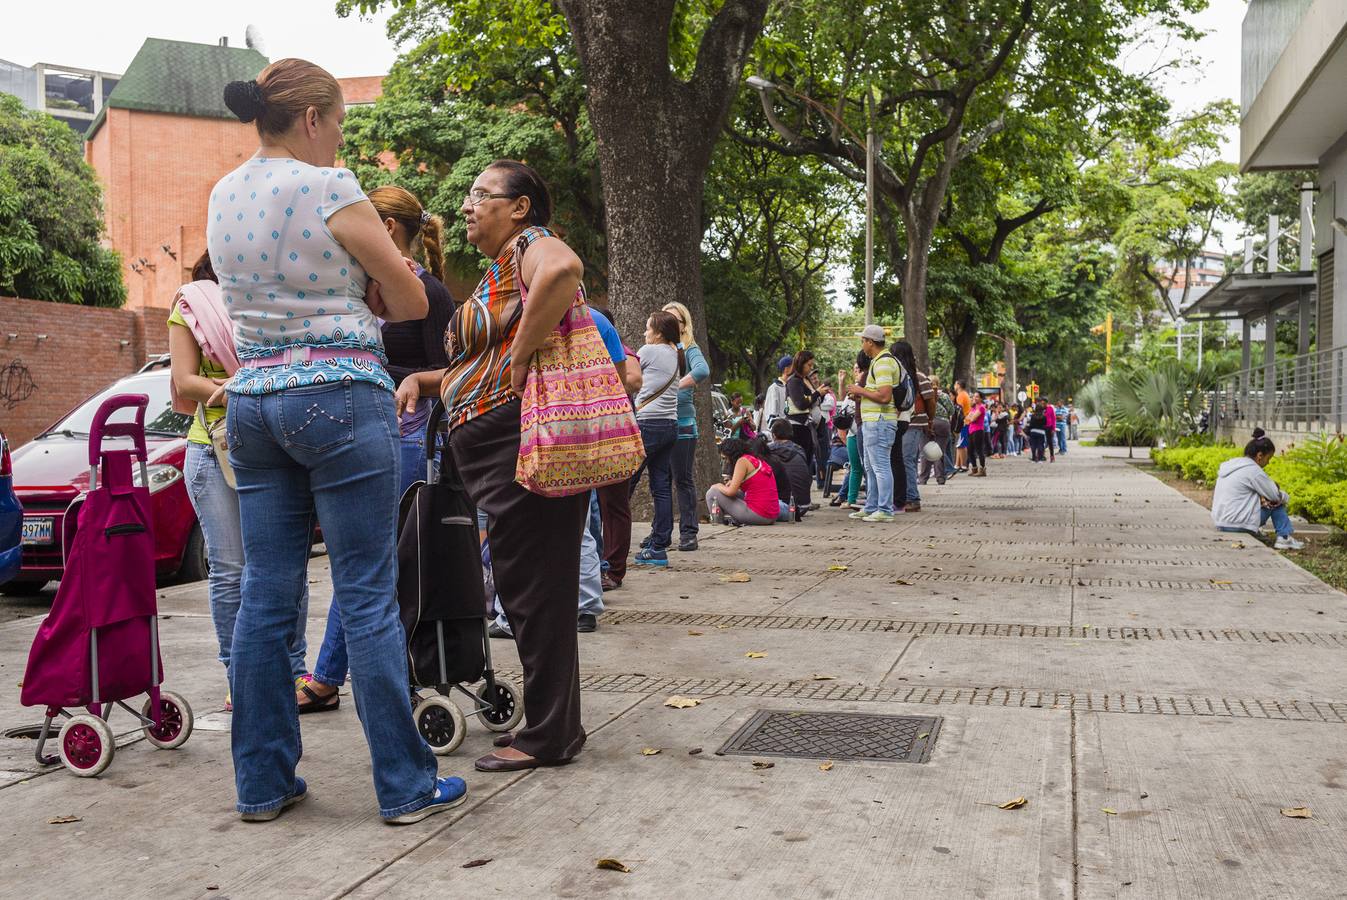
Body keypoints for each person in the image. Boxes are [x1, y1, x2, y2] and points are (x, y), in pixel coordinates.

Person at [214, 60, 462, 823]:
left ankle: (262, 784)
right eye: (340, 126)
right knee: (364, 591)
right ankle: (403, 784)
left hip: (252, 401)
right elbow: (412, 295)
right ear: (314, 119)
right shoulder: (329, 186)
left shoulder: (224, 192)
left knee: (265, 593)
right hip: (339, 395)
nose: (339, 141)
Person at [397, 158, 593, 773]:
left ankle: (548, 736)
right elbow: (480, 360)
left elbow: (564, 270)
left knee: (533, 588)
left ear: (520, 208)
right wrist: (431, 383)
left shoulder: (533, 246)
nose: (467, 205)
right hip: (499, 444)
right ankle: (557, 725)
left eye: (483, 195)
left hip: (517, 442)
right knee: (534, 586)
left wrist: (518, 362)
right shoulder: (498, 271)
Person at [300, 184, 454, 713]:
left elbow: (445, 372)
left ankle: (329, 678)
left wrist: (382, 376)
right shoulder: (362, 289)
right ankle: (332, 677)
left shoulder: (428, 292)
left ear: (385, 230)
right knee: (366, 558)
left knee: (372, 558)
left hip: (411, 430)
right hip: (369, 426)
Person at [168, 253, 310, 712]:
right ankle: (241, 676)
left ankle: (293, 671)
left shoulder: (268, 306)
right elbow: (184, 380)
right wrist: (243, 386)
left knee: (285, 566)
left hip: (271, 444)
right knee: (230, 569)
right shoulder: (192, 305)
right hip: (214, 447)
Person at [590, 306, 641, 592]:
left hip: (614, 432)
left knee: (613, 503)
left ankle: (613, 569)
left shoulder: (620, 346)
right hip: (591, 432)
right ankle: (599, 566)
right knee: (596, 507)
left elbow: (633, 379)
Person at [631, 310, 686, 566]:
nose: (645, 333)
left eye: (648, 329)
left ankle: (609, 546)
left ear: (659, 332)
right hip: (670, 425)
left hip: (648, 424)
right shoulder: (676, 355)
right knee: (661, 486)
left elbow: (627, 375)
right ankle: (659, 546)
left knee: (624, 484)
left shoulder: (649, 351)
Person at [663, 301, 710, 553]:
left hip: (682, 423)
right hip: (658, 421)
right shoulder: (655, 348)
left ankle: (689, 533)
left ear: (683, 325)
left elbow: (702, 370)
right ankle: (660, 534)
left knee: (683, 479)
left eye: (676, 320)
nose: (671, 324)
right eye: (666, 319)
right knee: (661, 480)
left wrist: (677, 385)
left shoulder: (689, 347)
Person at [1212, 430, 1304, 549]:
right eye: (1268, 458)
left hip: (1222, 523)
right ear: (1260, 456)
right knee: (1275, 502)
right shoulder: (1253, 470)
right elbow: (1275, 495)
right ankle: (1284, 537)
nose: (1268, 463)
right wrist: (1285, 497)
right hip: (1239, 524)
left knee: (1265, 500)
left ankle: (1257, 532)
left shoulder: (1232, 466)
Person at [846, 325, 898, 522]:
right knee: (870, 466)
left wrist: (860, 391)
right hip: (873, 422)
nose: (862, 345)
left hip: (880, 421)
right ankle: (872, 506)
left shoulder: (883, 363)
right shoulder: (878, 361)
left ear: (870, 342)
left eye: (863, 340)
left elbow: (884, 396)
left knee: (881, 466)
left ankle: (884, 509)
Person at [889, 340, 933, 512]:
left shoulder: (918, 378)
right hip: (902, 423)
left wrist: (929, 421)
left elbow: (930, 401)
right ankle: (902, 496)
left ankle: (912, 498)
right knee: (902, 460)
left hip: (914, 423)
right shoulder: (898, 376)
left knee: (907, 459)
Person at [706, 436, 784, 526]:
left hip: (759, 515)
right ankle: (726, 520)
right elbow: (753, 486)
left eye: (726, 458)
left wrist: (718, 485)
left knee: (712, 492)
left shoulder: (742, 461)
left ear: (732, 455)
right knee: (729, 492)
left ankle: (718, 524)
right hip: (772, 515)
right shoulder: (755, 459)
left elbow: (731, 491)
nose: (726, 462)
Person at [785, 350, 824, 482]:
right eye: (809, 365)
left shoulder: (805, 379)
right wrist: (818, 393)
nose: (810, 368)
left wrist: (819, 394)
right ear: (800, 364)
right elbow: (801, 403)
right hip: (798, 427)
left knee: (807, 461)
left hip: (808, 426)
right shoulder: (794, 381)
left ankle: (805, 499)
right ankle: (799, 499)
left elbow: (814, 400)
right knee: (800, 463)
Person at [767, 418, 812, 519]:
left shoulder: (768, 451)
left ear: (773, 435)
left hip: (787, 507)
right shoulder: (800, 450)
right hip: (803, 506)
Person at [841, 354, 868, 509]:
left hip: (863, 430)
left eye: (859, 368)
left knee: (868, 467)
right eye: (855, 369)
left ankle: (871, 498)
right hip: (852, 432)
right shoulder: (853, 388)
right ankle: (851, 500)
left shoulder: (866, 386)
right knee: (855, 467)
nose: (857, 371)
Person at [920, 377, 954, 486]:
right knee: (940, 452)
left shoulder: (924, 394)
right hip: (942, 424)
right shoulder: (944, 396)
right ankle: (940, 478)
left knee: (925, 451)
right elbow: (952, 410)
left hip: (927, 422)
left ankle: (923, 479)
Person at [759, 356, 791, 432]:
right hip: (782, 433)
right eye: (794, 367)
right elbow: (771, 414)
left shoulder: (792, 386)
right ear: (786, 369)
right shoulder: (774, 388)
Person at [966, 391, 990, 476]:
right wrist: (971, 416)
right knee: (970, 450)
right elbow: (967, 418)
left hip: (978, 431)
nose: (974, 398)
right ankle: (974, 468)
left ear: (980, 398)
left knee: (979, 450)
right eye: (974, 397)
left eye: (977, 397)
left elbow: (972, 419)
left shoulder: (981, 407)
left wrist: (971, 417)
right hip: (971, 430)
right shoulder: (974, 407)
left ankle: (982, 470)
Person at [953, 380, 972, 473]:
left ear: (958, 385)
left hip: (964, 422)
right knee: (959, 445)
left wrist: (956, 424)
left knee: (961, 444)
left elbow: (959, 411)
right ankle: (957, 464)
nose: (954, 386)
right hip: (966, 422)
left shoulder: (961, 396)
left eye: (955, 384)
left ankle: (964, 465)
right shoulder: (965, 394)